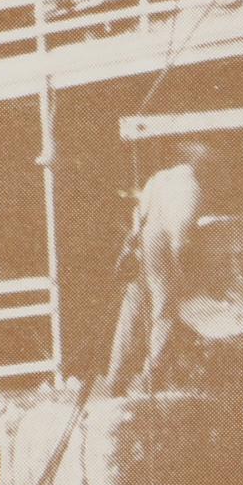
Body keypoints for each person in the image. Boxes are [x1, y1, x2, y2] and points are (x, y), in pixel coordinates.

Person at [97, 143, 211, 395]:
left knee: (131, 312)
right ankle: (150, 376)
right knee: (164, 312)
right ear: (197, 162)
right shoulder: (190, 186)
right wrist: (182, 271)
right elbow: (180, 234)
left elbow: (138, 215)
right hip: (161, 248)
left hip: (142, 244)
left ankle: (115, 377)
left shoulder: (158, 179)